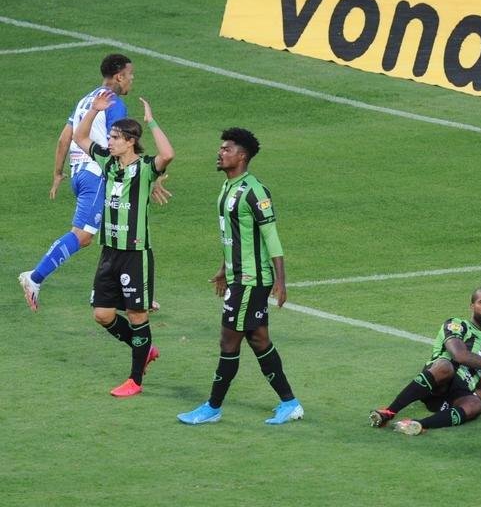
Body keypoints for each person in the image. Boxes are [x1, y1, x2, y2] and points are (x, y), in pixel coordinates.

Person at [19, 53, 170, 311]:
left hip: (79, 173)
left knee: (117, 230)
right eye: (130, 75)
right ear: (119, 76)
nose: (132, 80)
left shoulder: (85, 100)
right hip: (97, 175)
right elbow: (123, 142)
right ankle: (34, 277)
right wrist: (149, 176)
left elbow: (64, 138)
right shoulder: (114, 104)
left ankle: (131, 294)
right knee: (85, 234)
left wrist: (58, 173)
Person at [178, 128, 304, 425]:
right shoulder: (227, 187)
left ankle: (212, 407)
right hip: (238, 277)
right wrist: (224, 268)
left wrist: (281, 281)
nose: (220, 153)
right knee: (259, 340)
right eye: (220, 148)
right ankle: (290, 403)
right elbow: (233, 236)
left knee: (228, 341)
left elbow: (271, 237)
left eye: (226, 149)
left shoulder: (255, 191)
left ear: (242, 156)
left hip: (251, 280)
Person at [73, 89, 174, 397]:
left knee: (137, 316)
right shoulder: (108, 163)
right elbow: (79, 138)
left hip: (135, 254)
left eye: (116, 137)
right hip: (110, 251)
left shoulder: (144, 168)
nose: (110, 141)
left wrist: (152, 121)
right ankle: (145, 349)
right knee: (102, 314)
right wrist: (94, 110)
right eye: (111, 137)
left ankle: (135, 380)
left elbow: (167, 155)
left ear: (130, 141)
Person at [368, 286, 481, 435]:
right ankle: (389, 412)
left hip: (454, 396)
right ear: (472, 306)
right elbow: (460, 355)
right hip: (437, 383)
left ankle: (418, 425)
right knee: (445, 366)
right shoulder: (456, 325)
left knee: (476, 404)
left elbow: (479, 391)